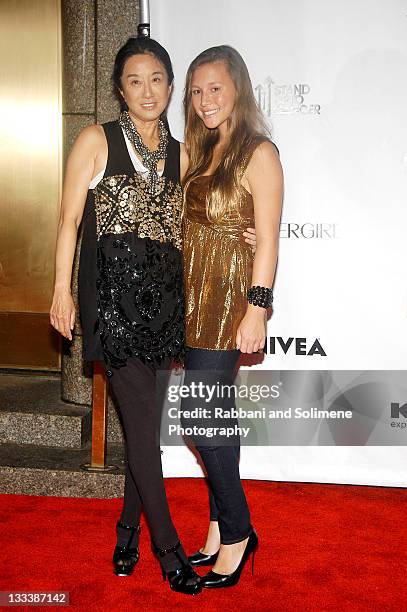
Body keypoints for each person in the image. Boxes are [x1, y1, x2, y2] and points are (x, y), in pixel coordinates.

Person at [50, 36, 202, 596]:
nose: (147, 90)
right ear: (120, 87)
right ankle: (169, 551)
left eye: (158, 78)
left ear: (169, 85)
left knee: (143, 429)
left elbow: (195, 230)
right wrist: (61, 292)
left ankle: (126, 530)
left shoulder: (181, 153)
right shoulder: (96, 139)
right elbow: (69, 222)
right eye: (135, 80)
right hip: (111, 302)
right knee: (142, 427)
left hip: (163, 302)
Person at [180, 45, 283, 589]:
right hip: (193, 296)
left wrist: (257, 307)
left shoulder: (258, 152)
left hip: (228, 301)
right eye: (196, 92)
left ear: (238, 89)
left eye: (214, 88)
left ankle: (240, 531)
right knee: (212, 419)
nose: (204, 101)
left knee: (201, 420)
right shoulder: (201, 151)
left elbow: (267, 239)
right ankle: (222, 525)